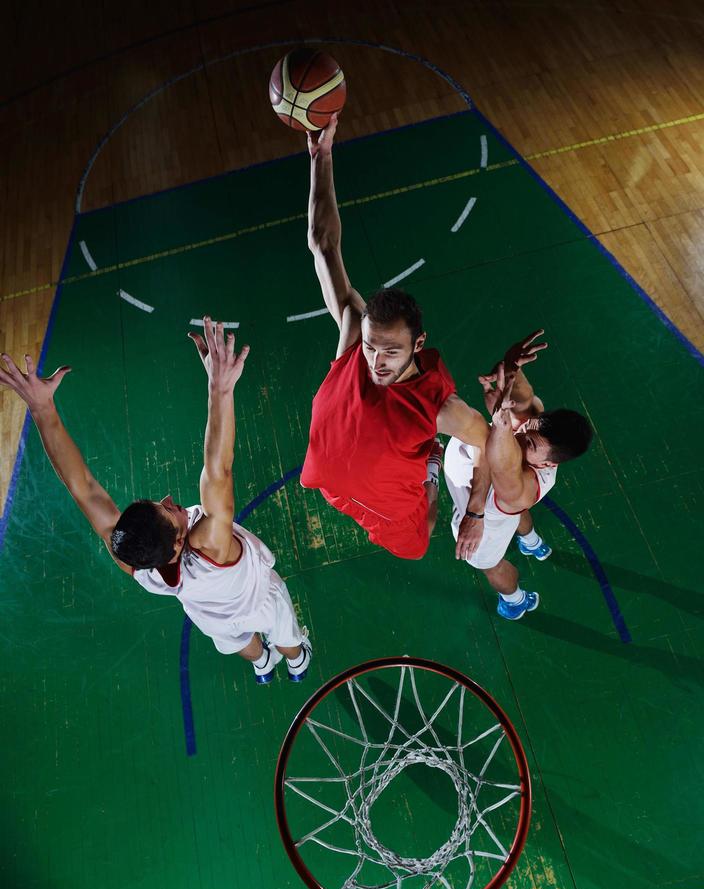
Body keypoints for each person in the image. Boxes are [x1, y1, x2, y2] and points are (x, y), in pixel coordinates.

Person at [0, 317, 311, 683]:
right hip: (259, 600)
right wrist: (220, 388)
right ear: (181, 541)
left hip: (213, 618)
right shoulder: (210, 545)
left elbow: (82, 487)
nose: (169, 499)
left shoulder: (138, 563)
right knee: (286, 634)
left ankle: (260, 663)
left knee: (237, 641)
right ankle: (296, 659)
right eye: (169, 510)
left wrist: (42, 409)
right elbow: (218, 469)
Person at [301, 113, 489, 562]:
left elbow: (487, 441)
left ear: (417, 346)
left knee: (420, 537)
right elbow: (322, 242)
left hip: (393, 508)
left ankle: (429, 466)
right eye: (371, 346)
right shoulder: (352, 339)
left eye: (391, 351)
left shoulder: (440, 408)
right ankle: (423, 461)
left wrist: (477, 513)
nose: (376, 361)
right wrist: (320, 156)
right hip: (332, 487)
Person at [444, 330, 593, 620]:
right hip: (502, 510)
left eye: (532, 443)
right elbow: (525, 405)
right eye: (530, 428)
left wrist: (501, 422)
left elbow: (500, 462)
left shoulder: (522, 488)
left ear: (549, 464)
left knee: (491, 565)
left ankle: (514, 599)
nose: (523, 434)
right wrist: (512, 366)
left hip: (483, 526)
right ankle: (532, 542)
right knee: (513, 515)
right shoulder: (534, 431)